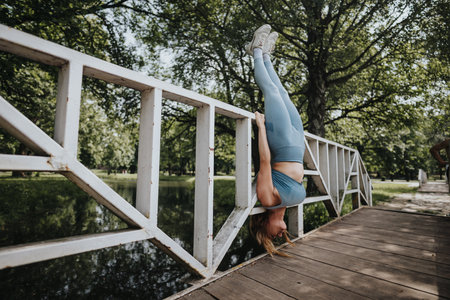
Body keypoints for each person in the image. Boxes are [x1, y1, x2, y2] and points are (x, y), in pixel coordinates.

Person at [247, 24, 306, 256]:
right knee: (282, 92)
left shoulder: (268, 199)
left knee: (270, 91)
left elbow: (264, 160)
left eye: (273, 236)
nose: (281, 235)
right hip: (297, 144)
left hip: (281, 144)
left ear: (263, 225)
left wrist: (261, 128)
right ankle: (266, 55)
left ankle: (257, 51)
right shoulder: (288, 205)